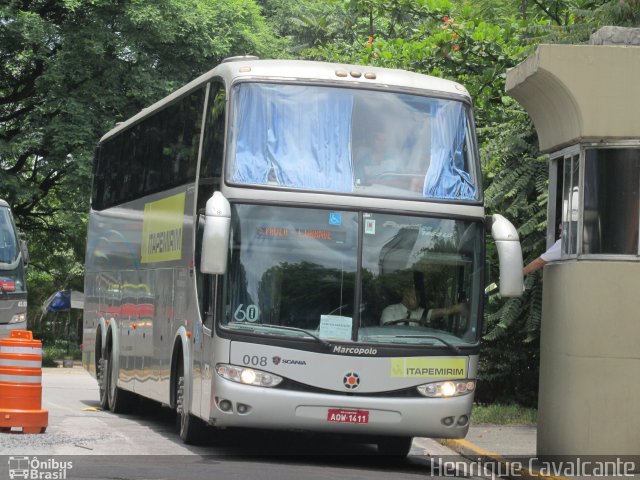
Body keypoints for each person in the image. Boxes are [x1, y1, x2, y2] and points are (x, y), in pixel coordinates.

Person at [380, 285, 465, 326]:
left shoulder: (419, 312)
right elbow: (388, 331)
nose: (419, 299)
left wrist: (456, 308)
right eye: (416, 296)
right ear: (406, 296)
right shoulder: (389, 311)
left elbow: (439, 312)